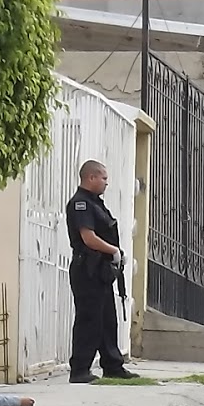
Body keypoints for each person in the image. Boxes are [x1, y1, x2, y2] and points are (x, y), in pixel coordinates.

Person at [66, 160, 139, 384]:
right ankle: (80, 369)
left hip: (100, 271)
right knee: (89, 320)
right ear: (91, 178)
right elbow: (88, 238)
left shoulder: (95, 203)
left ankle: (113, 365)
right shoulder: (81, 204)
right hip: (87, 269)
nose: (107, 183)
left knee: (108, 319)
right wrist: (114, 250)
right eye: (103, 178)